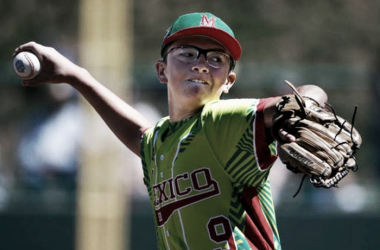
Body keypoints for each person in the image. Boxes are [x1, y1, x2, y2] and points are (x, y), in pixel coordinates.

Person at [15, 12, 328, 250]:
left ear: (229, 82)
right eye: (188, 53)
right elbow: (141, 136)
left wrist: (303, 110)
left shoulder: (224, 120)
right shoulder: (161, 141)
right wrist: (76, 76)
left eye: (216, 59)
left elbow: (309, 93)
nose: (202, 64)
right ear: (162, 70)